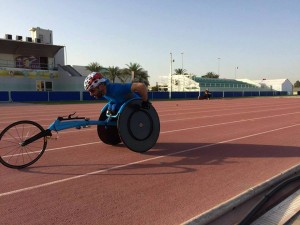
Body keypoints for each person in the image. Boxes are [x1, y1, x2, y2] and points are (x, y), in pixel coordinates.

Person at [84, 72, 151, 114]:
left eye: (92, 91)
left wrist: (145, 102)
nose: (91, 94)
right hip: (126, 111)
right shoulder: (104, 93)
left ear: (101, 86)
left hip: (139, 111)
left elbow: (141, 86)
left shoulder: (117, 89)